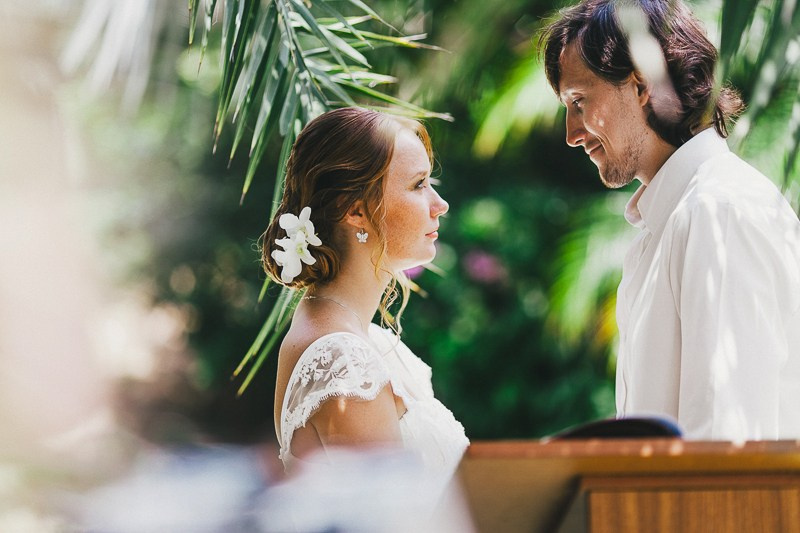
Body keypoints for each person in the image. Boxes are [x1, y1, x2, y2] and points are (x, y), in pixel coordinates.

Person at [541, 0, 800, 441]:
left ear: (641, 85)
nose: (571, 134)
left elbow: (723, 446)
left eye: (579, 102)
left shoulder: (718, 211)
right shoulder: (669, 224)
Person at [262, 107, 468, 479]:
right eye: (418, 185)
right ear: (355, 210)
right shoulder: (343, 362)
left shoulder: (360, 337)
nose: (440, 205)